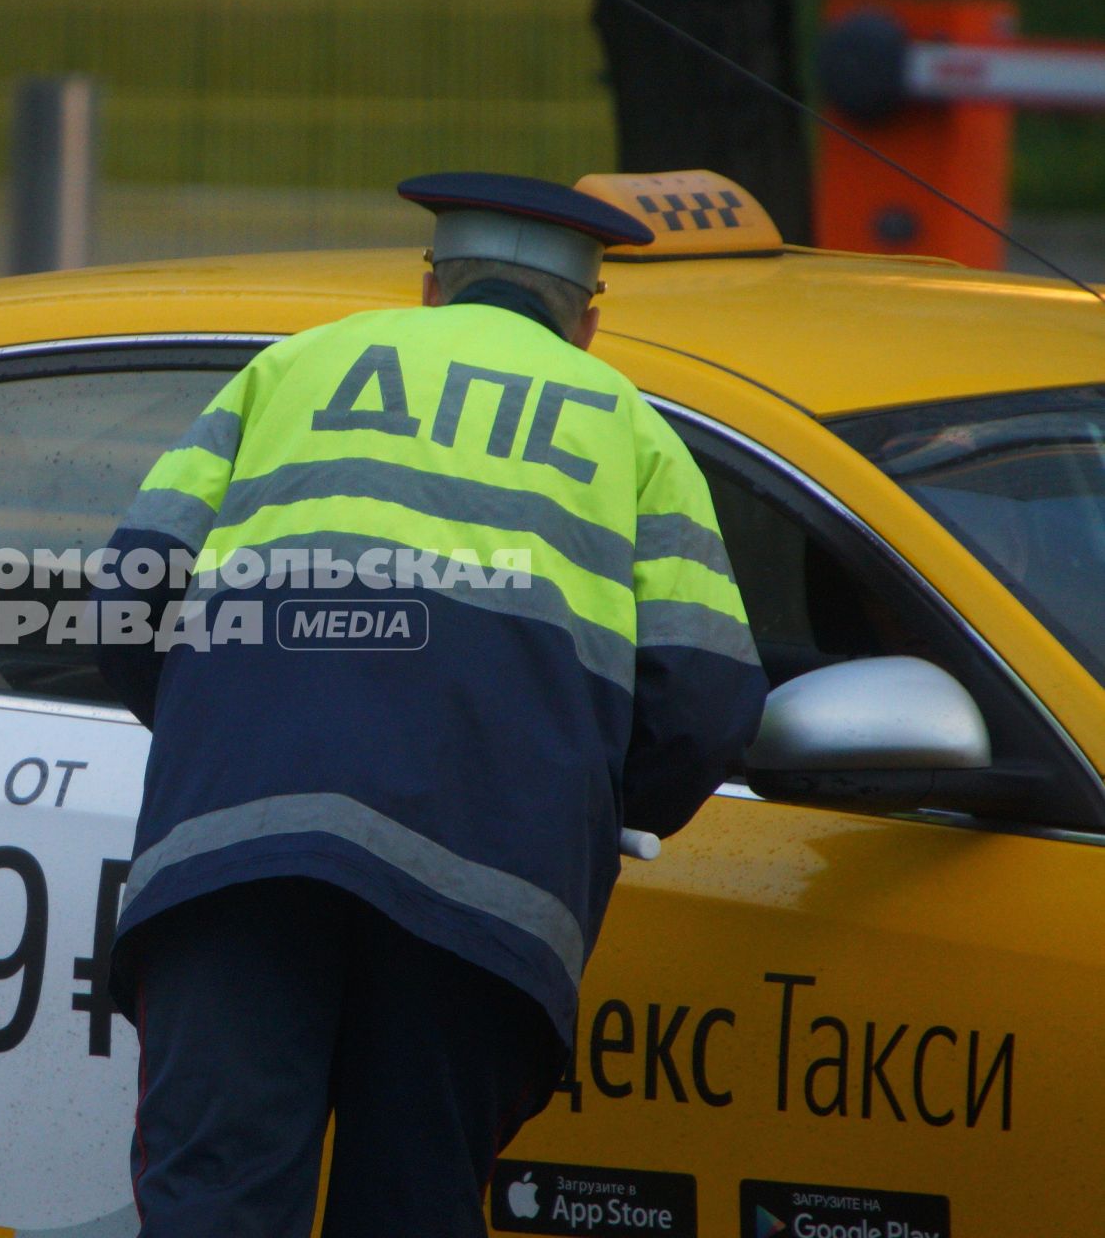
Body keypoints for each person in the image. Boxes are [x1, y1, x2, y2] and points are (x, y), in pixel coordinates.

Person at [92, 172, 771, 1237]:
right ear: (586, 319)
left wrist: (228, 727)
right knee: (410, 1206)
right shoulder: (632, 435)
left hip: (238, 850)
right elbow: (704, 704)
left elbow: (128, 600)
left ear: (429, 287)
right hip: (487, 885)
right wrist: (569, 791)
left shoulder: (292, 367)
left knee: (212, 1201)